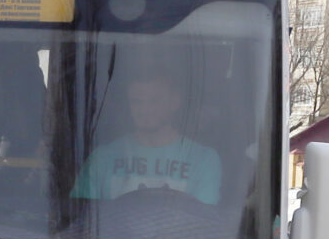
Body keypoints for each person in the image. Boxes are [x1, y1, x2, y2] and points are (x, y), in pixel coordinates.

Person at [72, 61, 222, 204]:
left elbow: (202, 223)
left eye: (154, 101)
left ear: (175, 102)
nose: (145, 110)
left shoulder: (204, 160)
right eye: (137, 101)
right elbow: (81, 219)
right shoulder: (102, 158)